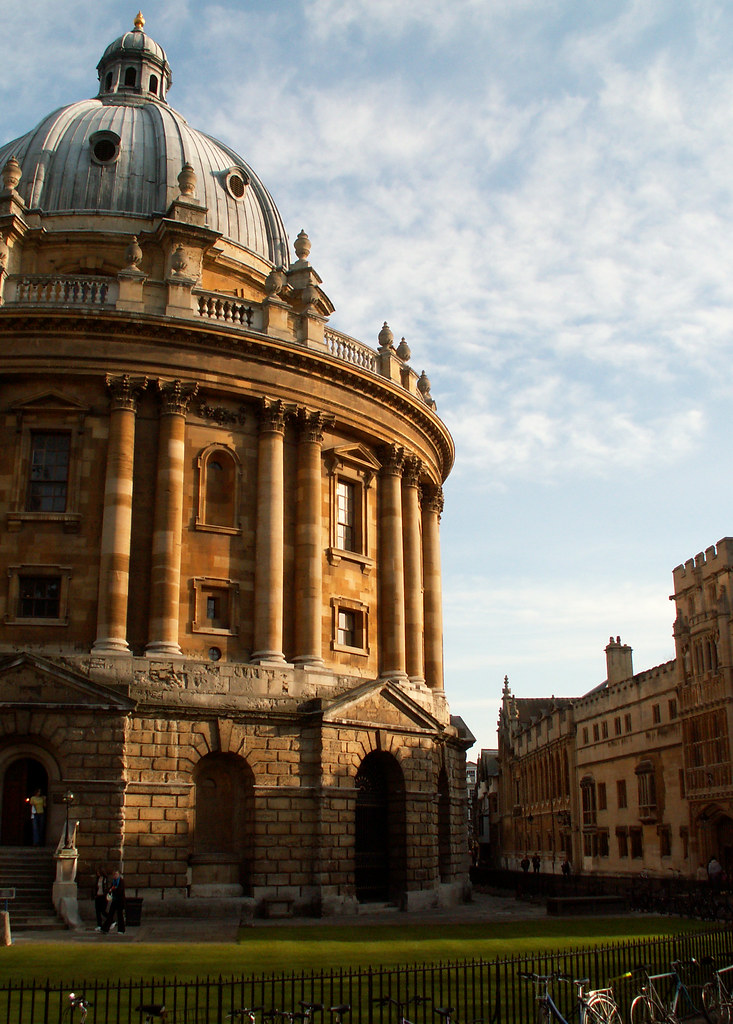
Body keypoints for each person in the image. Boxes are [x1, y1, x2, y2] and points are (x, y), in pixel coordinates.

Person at [100, 868, 126, 934]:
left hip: (120, 901)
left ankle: (121, 930)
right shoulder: (114, 882)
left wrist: (113, 889)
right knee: (110, 915)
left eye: (116, 874)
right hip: (114, 900)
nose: (115, 876)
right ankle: (105, 929)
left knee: (120, 916)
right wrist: (110, 890)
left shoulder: (121, 881)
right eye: (114, 874)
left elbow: (120, 890)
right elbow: (111, 889)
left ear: (119, 875)